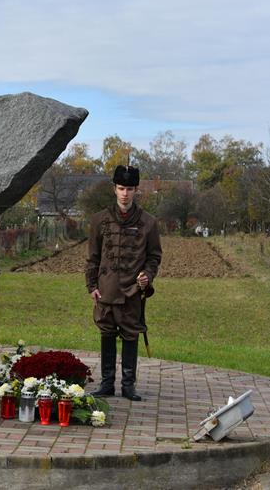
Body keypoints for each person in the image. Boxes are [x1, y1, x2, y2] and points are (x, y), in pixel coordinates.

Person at [85, 165, 162, 401]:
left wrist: (147, 276)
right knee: (107, 333)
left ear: (136, 190)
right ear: (114, 189)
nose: (125, 193)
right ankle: (107, 383)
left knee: (130, 335)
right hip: (106, 290)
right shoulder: (99, 220)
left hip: (131, 291)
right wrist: (92, 286)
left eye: (129, 188)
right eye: (121, 188)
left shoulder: (149, 223)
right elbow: (93, 256)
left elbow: (154, 257)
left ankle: (129, 385)